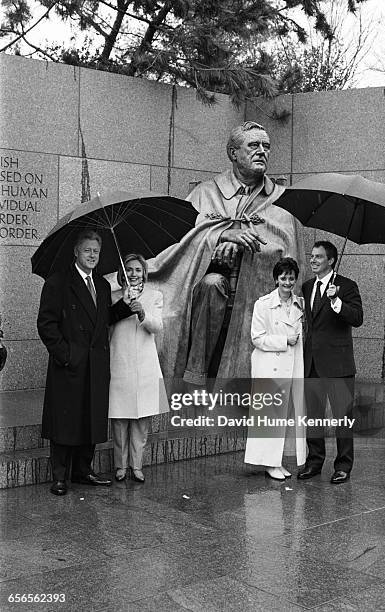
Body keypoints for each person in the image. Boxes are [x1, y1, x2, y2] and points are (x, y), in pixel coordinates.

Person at [146, 121, 305, 385]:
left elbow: (287, 254)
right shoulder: (205, 192)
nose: (262, 152)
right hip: (210, 283)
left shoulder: (280, 200)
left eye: (266, 146)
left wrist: (244, 247)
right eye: (253, 145)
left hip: (260, 289)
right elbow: (180, 242)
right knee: (210, 286)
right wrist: (219, 238)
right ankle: (194, 378)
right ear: (233, 153)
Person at [37, 230, 139, 496]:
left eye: (96, 251)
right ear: (76, 252)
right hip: (69, 365)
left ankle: (83, 470)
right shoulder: (58, 282)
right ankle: (60, 476)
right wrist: (66, 355)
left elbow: (102, 320)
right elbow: (46, 324)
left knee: (90, 418)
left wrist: (125, 306)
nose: (92, 255)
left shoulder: (103, 286)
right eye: (87, 251)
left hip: (95, 364)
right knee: (65, 420)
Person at [297, 240, 363, 484]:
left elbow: (357, 318)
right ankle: (314, 462)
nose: (313, 260)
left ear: (331, 261)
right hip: (312, 363)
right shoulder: (306, 287)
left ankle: (343, 466)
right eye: (312, 256)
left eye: (319, 257)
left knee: (342, 418)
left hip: (339, 365)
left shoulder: (347, 286)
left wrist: (337, 303)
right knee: (313, 417)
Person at [108, 253, 169, 483]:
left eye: (137, 270)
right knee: (120, 419)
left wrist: (142, 312)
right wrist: (123, 305)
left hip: (145, 365)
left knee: (141, 419)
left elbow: (158, 326)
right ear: (121, 274)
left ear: (144, 272)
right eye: (129, 270)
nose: (133, 274)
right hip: (120, 362)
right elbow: (107, 323)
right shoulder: (113, 296)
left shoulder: (155, 296)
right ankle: (120, 466)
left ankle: (137, 465)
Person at [244, 257, 306, 480]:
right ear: (276, 279)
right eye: (283, 278)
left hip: (291, 366)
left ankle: (277, 461)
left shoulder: (300, 304)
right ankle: (268, 463)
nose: (287, 282)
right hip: (269, 367)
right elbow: (257, 338)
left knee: (284, 417)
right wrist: (284, 340)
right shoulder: (263, 304)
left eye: (291, 278)